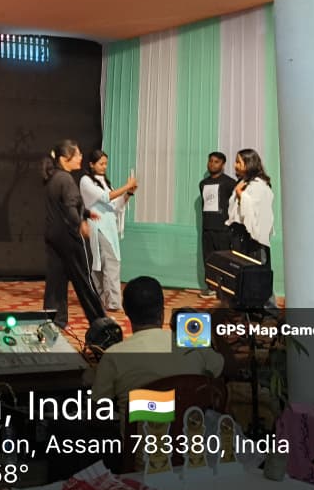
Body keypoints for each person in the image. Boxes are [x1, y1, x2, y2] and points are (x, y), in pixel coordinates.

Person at [90, 276, 225, 412]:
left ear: (126, 310)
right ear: (162, 310)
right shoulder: (193, 344)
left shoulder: (113, 356)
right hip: (191, 425)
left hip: (139, 426)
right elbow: (227, 372)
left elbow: (97, 415)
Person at [43, 139, 104, 329]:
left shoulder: (53, 178)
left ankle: (54, 320)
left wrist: (86, 213)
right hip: (69, 237)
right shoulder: (66, 179)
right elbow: (70, 207)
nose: (80, 157)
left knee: (56, 280)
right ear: (64, 159)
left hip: (53, 236)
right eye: (77, 154)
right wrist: (81, 223)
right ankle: (100, 320)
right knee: (84, 279)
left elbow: (65, 205)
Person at [80, 150, 137, 312]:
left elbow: (116, 205)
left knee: (103, 264)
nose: (104, 167)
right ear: (91, 164)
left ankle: (100, 298)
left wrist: (129, 193)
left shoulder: (105, 182)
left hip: (109, 227)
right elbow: (106, 197)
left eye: (106, 164)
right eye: (101, 164)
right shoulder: (86, 181)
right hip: (98, 226)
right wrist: (126, 186)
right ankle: (112, 302)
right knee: (109, 263)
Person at [227, 148, 275, 266]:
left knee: (252, 270)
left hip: (252, 239)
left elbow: (258, 212)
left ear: (249, 163)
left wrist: (240, 194)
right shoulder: (242, 182)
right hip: (239, 235)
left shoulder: (259, 185)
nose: (235, 165)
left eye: (238, 162)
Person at [199, 151, 238, 295]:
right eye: (210, 161)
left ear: (223, 164)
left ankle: (227, 289)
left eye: (216, 162)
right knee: (208, 259)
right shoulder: (203, 183)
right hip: (207, 228)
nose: (212, 164)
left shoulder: (230, 183)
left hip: (223, 229)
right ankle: (211, 287)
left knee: (224, 260)